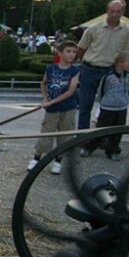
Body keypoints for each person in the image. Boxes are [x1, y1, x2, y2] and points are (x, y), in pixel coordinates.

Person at [75, 0, 129, 130]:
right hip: (91, 68)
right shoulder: (94, 28)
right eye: (112, 11)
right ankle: (82, 134)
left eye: (118, 11)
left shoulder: (125, 30)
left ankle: (102, 134)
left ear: (123, 12)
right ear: (107, 11)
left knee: (108, 106)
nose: (114, 14)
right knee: (85, 105)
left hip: (110, 70)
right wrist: (85, 62)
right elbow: (81, 48)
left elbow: (124, 52)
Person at [27, 41, 81, 174]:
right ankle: (36, 158)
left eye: (74, 52)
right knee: (46, 132)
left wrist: (52, 102)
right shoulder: (50, 69)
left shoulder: (75, 71)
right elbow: (43, 84)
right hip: (51, 109)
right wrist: (45, 98)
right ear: (60, 53)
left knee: (64, 134)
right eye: (68, 51)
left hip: (68, 108)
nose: (72, 55)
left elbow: (71, 91)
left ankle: (58, 161)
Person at [79, 51, 129, 160]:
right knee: (101, 129)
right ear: (120, 63)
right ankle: (89, 147)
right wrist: (105, 102)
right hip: (108, 107)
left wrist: (124, 100)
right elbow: (102, 90)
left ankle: (113, 150)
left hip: (122, 108)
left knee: (118, 131)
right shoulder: (108, 77)